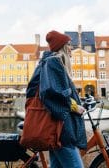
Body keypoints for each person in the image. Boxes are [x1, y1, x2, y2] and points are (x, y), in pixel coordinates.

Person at [26, 30, 87, 168]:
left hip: (57, 129)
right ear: (63, 47)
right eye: (69, 45)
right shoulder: (54, 62)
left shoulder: (50, 62)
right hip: (61, 130)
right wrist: (74, 106)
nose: (71, 48)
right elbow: (51, 92)